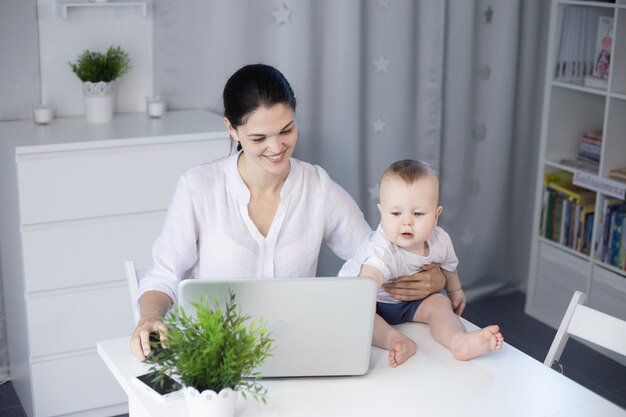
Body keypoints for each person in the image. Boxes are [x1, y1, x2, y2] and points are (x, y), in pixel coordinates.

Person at [130, 64, 446, 360]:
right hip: (215, 356)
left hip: (294, 348)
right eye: (258, 138)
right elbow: (163, 275)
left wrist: (433, 277)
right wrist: (149, 318)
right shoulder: (198, 187)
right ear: (231, 128)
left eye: (286, 130)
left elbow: (376, 252)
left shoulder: (317, 186)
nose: (277, 147)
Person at [339, 159, 504, 367]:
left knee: (439, 304)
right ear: (382, 213)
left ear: (436, 216)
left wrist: (455, 291)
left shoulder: (440, 240)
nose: (406, 221)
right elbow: (369, 279)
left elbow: (449, 268)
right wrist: (357, 301)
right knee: (361, 316)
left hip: (411, 304)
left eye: (417, 213)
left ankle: (459, 341)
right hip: (373, 303)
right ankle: (396, 340)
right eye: (396, 213)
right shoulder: (381, 249)